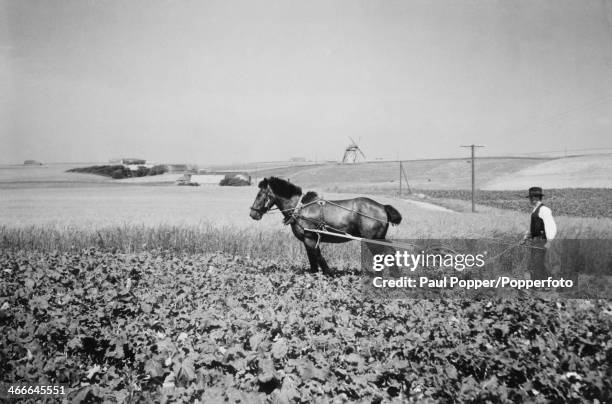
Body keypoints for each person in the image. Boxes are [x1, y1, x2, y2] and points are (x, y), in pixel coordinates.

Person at [521, 187, 557, 279]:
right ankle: (541, 284)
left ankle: (544, 284)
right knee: (536, 263)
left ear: (537, 198)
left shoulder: (544, 210)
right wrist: (525, 239)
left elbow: (551, 226)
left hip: (542, 241)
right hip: (535, 241)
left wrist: (549, 241)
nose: (531, 199)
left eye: (533, 197)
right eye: (531, 197)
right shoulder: (534, 211)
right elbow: (532, 228)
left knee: (538, 264)